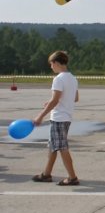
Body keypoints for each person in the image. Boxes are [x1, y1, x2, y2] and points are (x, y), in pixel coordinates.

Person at [31, 50, 80, 186]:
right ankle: (46, 174)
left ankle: (72, 177)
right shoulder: (72, 78)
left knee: (62, 147)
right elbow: (75, 98)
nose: (51, 66)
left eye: (51, 64)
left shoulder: (58, 79)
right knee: (53, 146)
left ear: (57, 63)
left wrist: (40, 115)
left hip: (59, 118)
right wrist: (56, 101)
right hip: (67, 117)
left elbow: (55, 100)